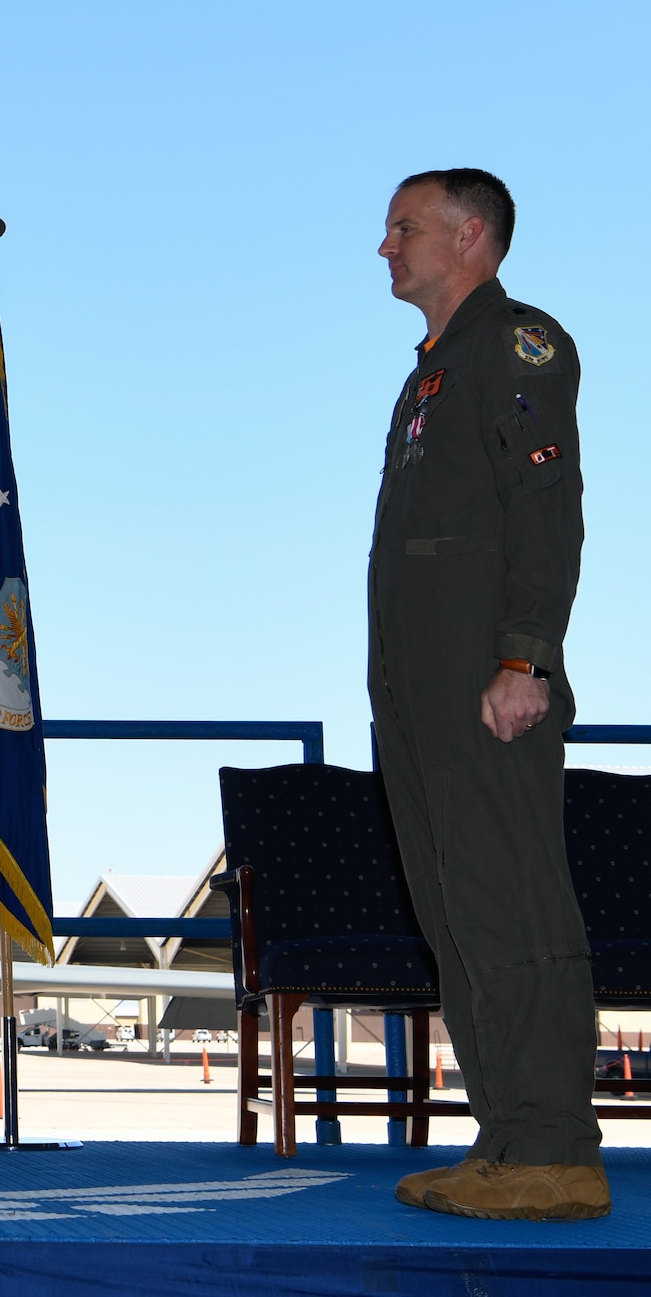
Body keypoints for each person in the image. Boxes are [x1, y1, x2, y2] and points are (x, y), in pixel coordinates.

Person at [370, 169, 606, 1221]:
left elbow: (544, 505)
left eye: (403, 228)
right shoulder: (431, 372)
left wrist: (524, 655)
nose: (384, 246)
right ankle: (507, 1138)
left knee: (508, 903)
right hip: (419, 688)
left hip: (483, 679)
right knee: (454, 912)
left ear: (469, 236)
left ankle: (555, 1144)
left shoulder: (518, 344)